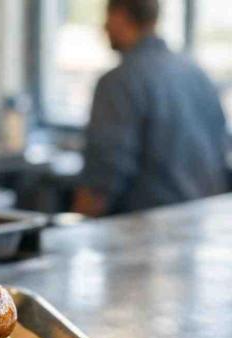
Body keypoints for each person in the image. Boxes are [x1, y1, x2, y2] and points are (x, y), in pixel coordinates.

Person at [72, 0, 229, 216]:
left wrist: (77, 226)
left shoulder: (119, 81)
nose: (104, 27)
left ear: (120, 16)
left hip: (141, 231)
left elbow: (104, 174)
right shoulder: (196, 73)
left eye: (107, 17)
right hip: (200, 224)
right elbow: (220, 152)